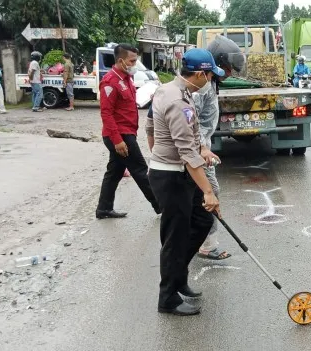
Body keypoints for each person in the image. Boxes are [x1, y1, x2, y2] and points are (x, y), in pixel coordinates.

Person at [146, 48, 223, 316]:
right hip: (171, 176)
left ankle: (178, 278)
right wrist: (208, 192)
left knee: (202, 221)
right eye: (211, 76)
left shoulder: (176, 91)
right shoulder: (177, 100)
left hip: (177, 171)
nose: (210, 81)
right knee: (174, 238)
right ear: (201, 73)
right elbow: (185, 152)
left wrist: (202, 147)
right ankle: (167, 298)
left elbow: (156, 128)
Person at [191, 35, 245, 261]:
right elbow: (190, 121)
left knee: (203, 196)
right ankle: (206, 244)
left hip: (203, 147)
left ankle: (199, 241)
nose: (230, 73)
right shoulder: (201, 88)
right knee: (209, 193)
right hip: (196, 150)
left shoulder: (211, 82)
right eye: (228, 68)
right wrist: (202, 148)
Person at [95, 43, 161, 219]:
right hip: (119, 135)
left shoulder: (126, 79)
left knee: (114, 172)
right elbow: (106, 113)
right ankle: (161, 206)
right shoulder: (110, 81)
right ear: (120, 60)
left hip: (127, 132)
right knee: (140, 169)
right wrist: (117, 140)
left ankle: (103, 209)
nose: (134, 64)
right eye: (132, 61)